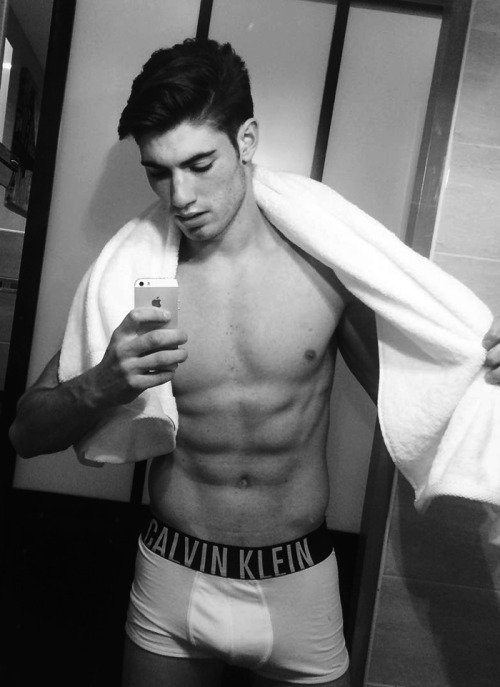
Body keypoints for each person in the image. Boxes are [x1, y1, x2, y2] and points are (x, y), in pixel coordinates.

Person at [9, 39, 500, 687]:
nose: (180, 196)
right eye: (159, 173)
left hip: (298, 583)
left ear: (246, 140)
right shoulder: (145, 276)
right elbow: (25, 432)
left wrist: (483, 371)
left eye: (199, 164)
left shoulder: (323, 268)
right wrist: (101, 384)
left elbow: (420, 400)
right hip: (171, 579)